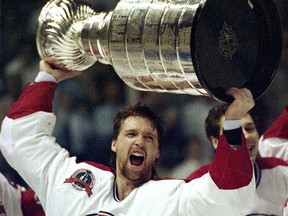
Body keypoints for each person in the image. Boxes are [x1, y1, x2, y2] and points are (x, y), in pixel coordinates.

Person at [0, 60, 256, 215]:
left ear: (157, 153)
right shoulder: (73, 180)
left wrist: (232, 123)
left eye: (149, 138)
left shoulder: (173, 198)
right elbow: (19, 140)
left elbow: (232, 199)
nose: (139, 141)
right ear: (114, 143)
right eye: (131, 134)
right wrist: (47, 77)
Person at [187, 103, 288, 215]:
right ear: (216, 142)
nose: (245, 136)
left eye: (249, 129)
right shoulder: (198, 183)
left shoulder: (281, 172)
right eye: (235, 132)